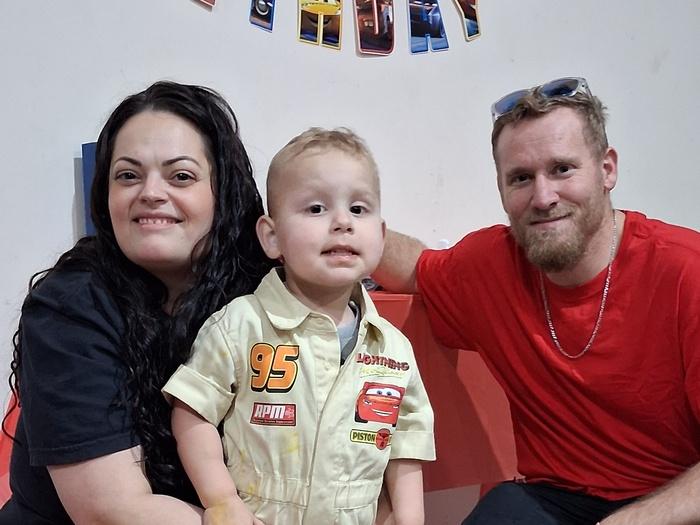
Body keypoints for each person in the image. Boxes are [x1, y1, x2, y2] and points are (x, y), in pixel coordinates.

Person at [373, 77, 700, 525]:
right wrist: (332, 223)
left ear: (607, 170)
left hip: (674, 501)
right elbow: (414, 267)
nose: (543, 197)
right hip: (554, 498)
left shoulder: (686, 271)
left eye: (562, 169)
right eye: (522, 178)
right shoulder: (490, 263)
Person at [0, 80, 272, 524]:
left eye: (181, 176)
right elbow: (110, 512)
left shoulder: (263, 289)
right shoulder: (70, 306)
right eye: (128, 175)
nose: (150, 193)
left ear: (224, 193)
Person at [162, 127, 436, 525]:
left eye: (359, 209)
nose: (342, 222)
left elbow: (407, 440)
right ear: (272, 237)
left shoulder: (393, 349)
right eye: (316, 208)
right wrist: (221, 500)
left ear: (379, 236)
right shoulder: (241, 325)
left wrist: (409, 517)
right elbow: (193, 409)